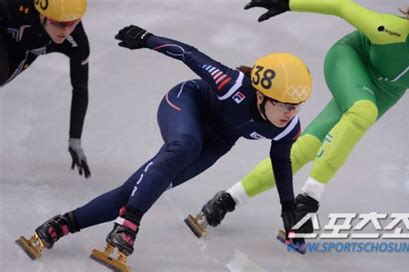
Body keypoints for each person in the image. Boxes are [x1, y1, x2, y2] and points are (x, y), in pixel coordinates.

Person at [16, 25, 313, 270]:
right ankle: (128, 225)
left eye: (297, 107)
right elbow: (190, 54)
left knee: (139, 188)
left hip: (217, 142)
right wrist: (146, 39)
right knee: (186, 144)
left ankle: (61, 225)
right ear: (261, 95)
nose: (290, 113)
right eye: (285, 105)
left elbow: (281, 160)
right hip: (186, 104)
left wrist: (287, 206)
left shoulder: (287, 126)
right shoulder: (233, 84)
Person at [194, 0, 409, 246]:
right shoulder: (385, 29)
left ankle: (227, 199)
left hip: (384, 91)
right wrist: (288, 3)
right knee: (364, 111)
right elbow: (340, 5)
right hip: (349, 59)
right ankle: (309, 199)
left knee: (304, 148)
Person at [1, 0, 91, 178]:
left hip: (23, 49)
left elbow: (80, 89)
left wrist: (75, 140)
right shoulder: (15, 7)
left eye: (72, 24)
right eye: (58, 23)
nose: (64, 31)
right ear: (42, 14)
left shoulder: (77, 41)